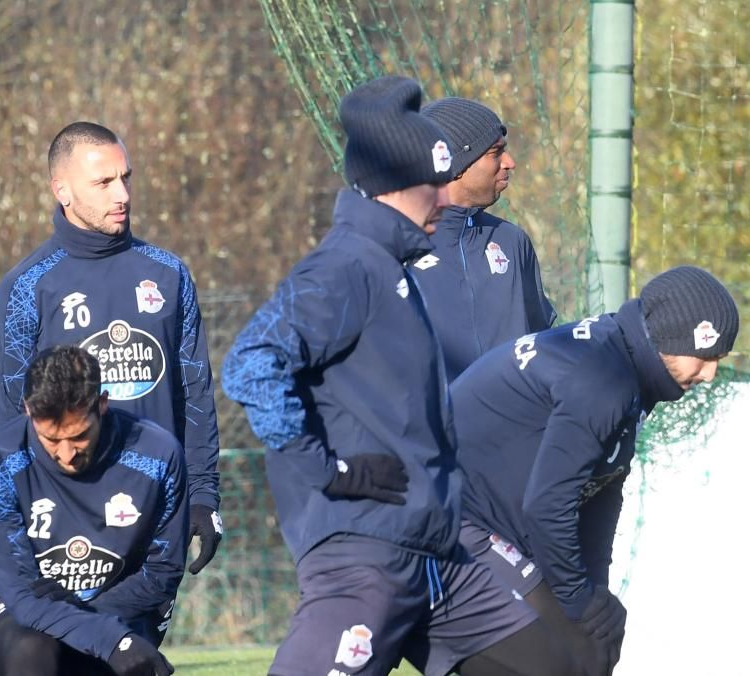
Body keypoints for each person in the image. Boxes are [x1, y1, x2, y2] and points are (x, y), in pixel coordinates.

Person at [222, 76, 575, 676]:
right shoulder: (343, 268)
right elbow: (251, 364)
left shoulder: (393, 265)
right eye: (434, 186)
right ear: (395, 189)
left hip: (439, 555)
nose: (445, 199)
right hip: (367, 556)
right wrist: (326, 469)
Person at [451, 265, 740, 675]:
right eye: (705, 355)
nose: (710, 374)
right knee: (559, 655)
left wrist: (595, 591)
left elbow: (603, 487)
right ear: (670, 336)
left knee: (597, 636)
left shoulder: (628, 366)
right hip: (446, 518)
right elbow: (547, 506)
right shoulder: (603, 378)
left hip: (492, 525)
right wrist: (578, 600)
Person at [0, 121, 222, 575]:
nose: (123, 195)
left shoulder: (169, 275)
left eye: (126, 177)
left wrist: (204, 495)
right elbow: (9, 418)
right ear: (63, 190)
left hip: (157, 510)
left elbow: (195, 397)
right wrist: (23, 516)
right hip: (67, 516)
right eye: (104, 182)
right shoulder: (27, 287)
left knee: (135, 643)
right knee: (82, 646)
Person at [0, 345, 185, 676]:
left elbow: (163, 573)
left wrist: (95, 622)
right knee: (32, 648)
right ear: (27, 410)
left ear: (102, 404)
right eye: (51, 440)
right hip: (12, 614)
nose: (66, 454)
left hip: (117, 612)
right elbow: (22, 597)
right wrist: (110, 639)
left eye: (79, 436)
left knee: (125, 661)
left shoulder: (158, 454)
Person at [414, 97, 556, 381]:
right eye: (496, 153)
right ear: (456, 164)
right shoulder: (400, 246)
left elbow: (540, 343)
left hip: (513, 423)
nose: (510, 163)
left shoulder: (512, 242)